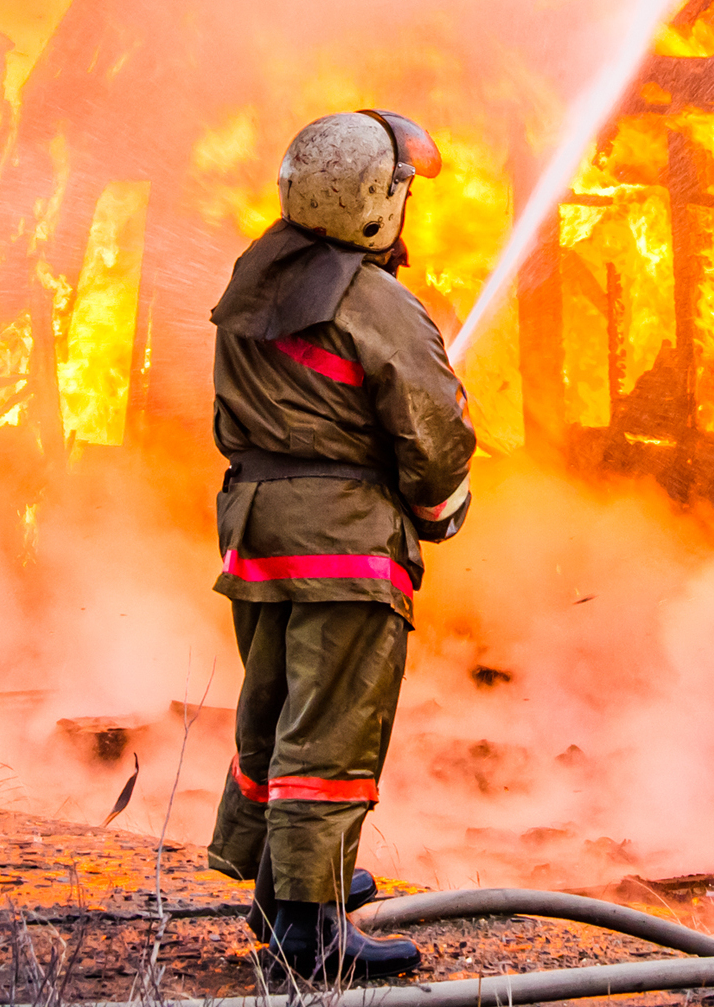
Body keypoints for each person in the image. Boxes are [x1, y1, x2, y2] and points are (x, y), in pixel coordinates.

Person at [204, 108, 476, 981]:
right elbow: (432, 430)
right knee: (332, 731)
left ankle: (283, 884)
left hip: (258, 535)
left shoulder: (257, 276)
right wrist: (441, 506)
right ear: (373, 202)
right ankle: (312, 936)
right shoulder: (373, 300)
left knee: (277, 710)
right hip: (343, 548)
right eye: (399, 192)